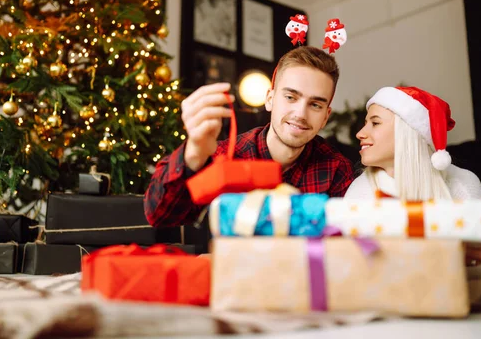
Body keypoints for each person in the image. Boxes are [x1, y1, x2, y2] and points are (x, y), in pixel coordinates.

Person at [144, 46, 354, 227]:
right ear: (270, 99)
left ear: (326, 116)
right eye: (290, 97)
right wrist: (194, 154)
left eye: (315, 105)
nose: (300, 113)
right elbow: (159, 216)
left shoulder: (336, 169)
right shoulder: (225, 156)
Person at [344, 86, 481, 279]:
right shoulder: (361, 190)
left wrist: (480, 260)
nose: (360, 133)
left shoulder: (462, 182)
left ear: (407, 131)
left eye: (375, 123)